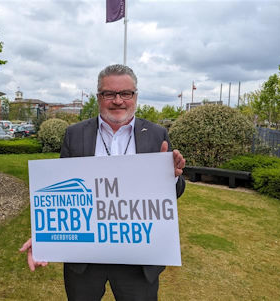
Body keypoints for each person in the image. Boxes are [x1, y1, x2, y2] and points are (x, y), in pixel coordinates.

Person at [20, 64, 186, 301]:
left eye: (125, 93)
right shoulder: (75, 134)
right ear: (99, 97)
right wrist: (44, 237)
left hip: (138, 257)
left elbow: (175, 192)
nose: (118, 101)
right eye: (109, 93)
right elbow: (62, 195)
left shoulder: (156, 134)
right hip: (86, 259)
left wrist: (172, 178)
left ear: (135, 96)